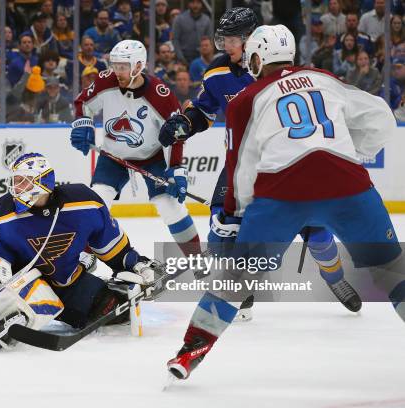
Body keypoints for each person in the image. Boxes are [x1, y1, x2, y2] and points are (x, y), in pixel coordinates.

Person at [165, 23, 405, 381]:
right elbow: (381, 118)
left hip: (283, 195)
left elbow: (240, 167)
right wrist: (349, 154)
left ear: (259, 57)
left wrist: (233, 212)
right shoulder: (323, 77)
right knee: (392, 271)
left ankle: (189, 354)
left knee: (234, 279)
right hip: (348, 187)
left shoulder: (247, 98)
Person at [158, 8, 362, 325]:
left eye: (231, 39)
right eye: (222, 38)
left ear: (252, 39)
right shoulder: (216, 74)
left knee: (316, 231)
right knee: (220, 223)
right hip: (242, 159)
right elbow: (204, 111)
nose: (225, 45)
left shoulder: (282, 71)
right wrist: (184, 123)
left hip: (288, 159)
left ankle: (333, 275)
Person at [0, 152, 165, 351]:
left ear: (44, 182)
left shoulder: (84, 202)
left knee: (116, 311)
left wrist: (137, 264)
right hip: (26, 285)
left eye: (24, 181)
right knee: (23, 303)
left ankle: (109, 287)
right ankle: (6, 317)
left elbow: (112, 245)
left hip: (69, 282)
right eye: (15, 180)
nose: (16, 187)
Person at [70, 39, 200, 248]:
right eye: (115, 66)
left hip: (152, 157)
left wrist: (175, 167)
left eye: (123, 67)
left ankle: (198, 261)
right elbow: (83, 102)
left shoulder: (160, 95)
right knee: (96, 205)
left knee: (169, 205)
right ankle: (83, 259)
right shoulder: (106, 81)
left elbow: (177, 132)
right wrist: (83, 125)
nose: (117, 72)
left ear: (139, 66)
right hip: (113, 157)